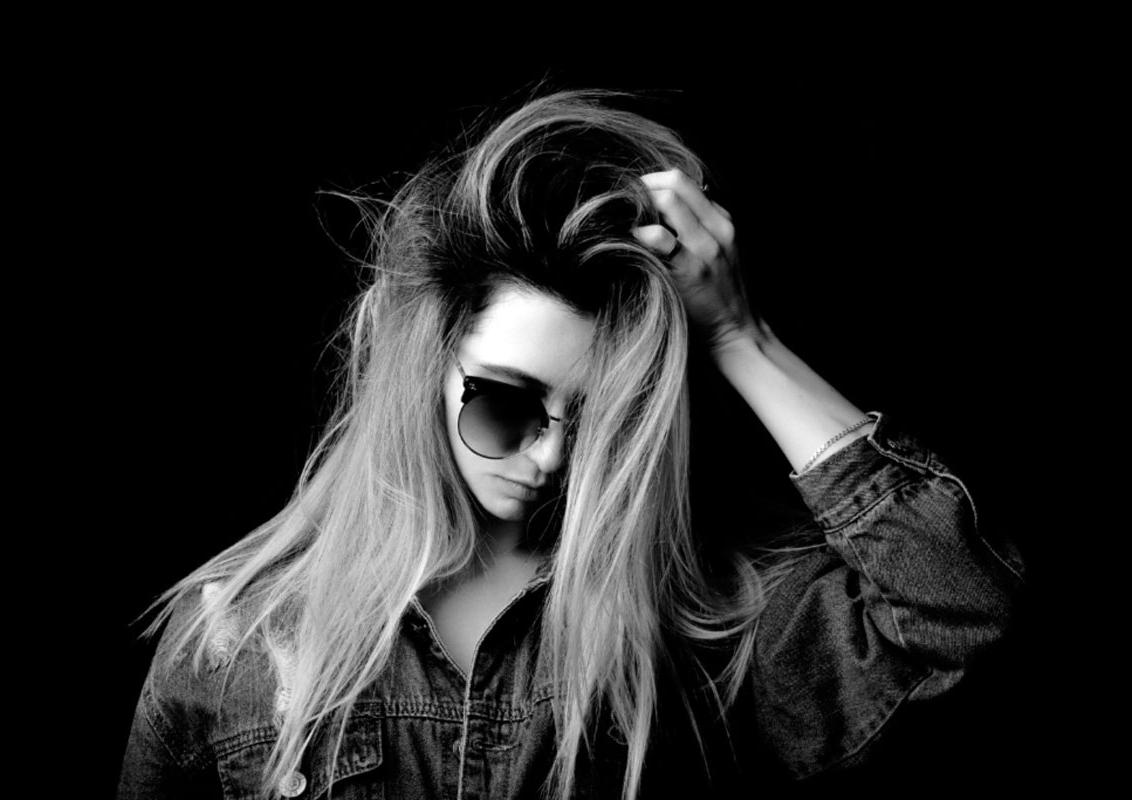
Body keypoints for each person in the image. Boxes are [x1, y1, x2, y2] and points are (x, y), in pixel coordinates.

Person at [117, 88, 1025, 799]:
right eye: (505, 405)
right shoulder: (232, 642)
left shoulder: (700, 633)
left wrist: (739, 337)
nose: (550, 459)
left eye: (595, 425)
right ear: (425, 369)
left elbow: (956, 604)